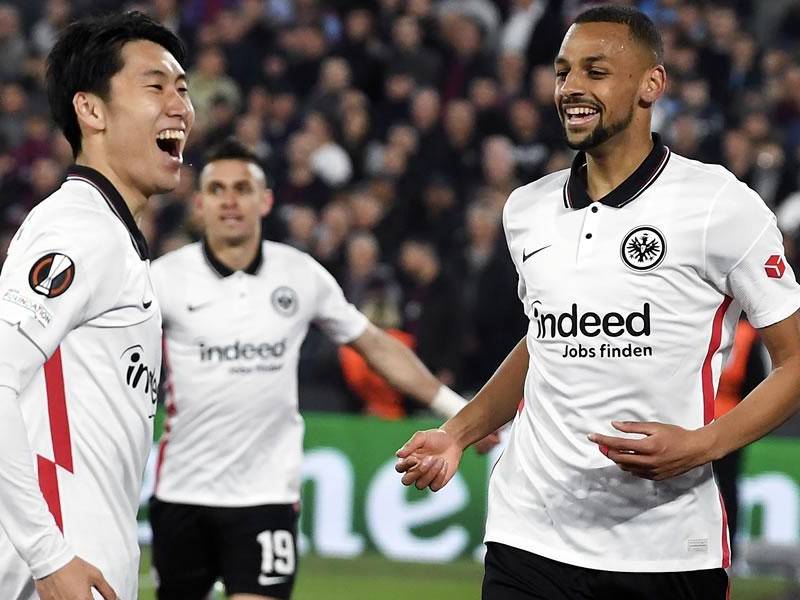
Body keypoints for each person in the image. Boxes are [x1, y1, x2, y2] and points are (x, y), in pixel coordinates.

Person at [396, 6, 800, 600]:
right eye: (562, 72)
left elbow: (794, 362)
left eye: (596, 71)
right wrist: (458, 431)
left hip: (665, 548)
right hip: (528, 536)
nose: (572, 89)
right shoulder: (526, 211)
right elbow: (544, 343)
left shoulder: (718, 205)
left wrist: (700, 445)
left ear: (651, 84)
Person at [148, 137, 494, 600]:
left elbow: (376, 344)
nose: (230, 200)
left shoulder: (300, 274)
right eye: (217, 189)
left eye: (243, 189)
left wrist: (457, 411)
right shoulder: (163, 278)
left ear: (266, 199)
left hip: (267, 496)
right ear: (199, 204)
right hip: (182, 493)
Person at [0, 11, 193, 600]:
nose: (180, 106)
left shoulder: (112, 238)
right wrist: (48, 554)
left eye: (183, 90)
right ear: (92, 111)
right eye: (155, 86)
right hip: (56, 571)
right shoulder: (77, 230)